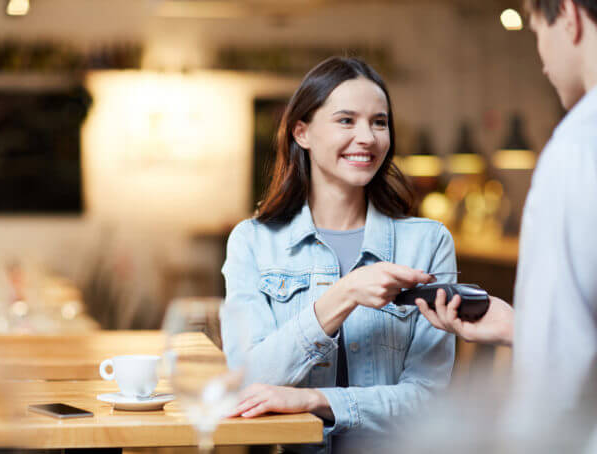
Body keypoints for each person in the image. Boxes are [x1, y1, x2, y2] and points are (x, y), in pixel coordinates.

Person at [220, 57, 456, 454]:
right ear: (302, 132)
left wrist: (318, 401)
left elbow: (427, 400)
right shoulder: (253, 241)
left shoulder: (428, 242)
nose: (367, 137)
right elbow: (246, 381)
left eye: (379, 122)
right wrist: (342, 295)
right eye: (346, 121)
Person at [415, 0, 597, 428]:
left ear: (568, 17)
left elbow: (555, 384)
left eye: (536, 33)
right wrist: (523, 329)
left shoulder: (577, 151)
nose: (542, 58)